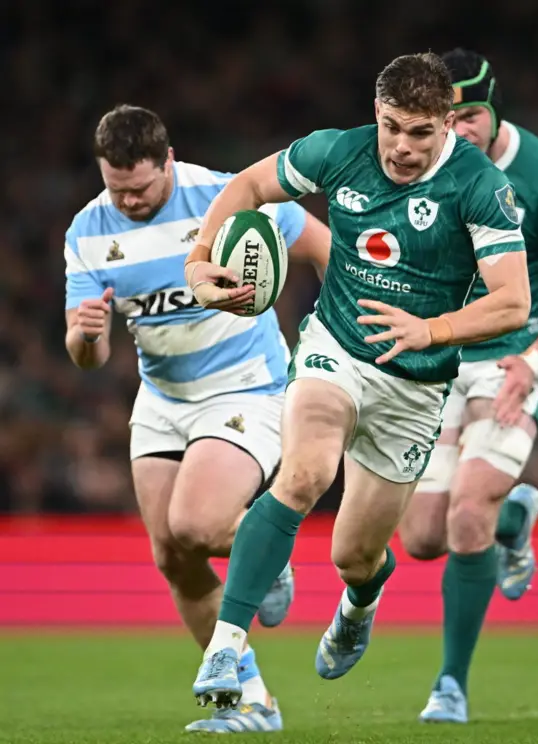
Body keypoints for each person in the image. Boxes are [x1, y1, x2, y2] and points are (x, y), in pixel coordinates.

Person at [182, 52, 531, 710]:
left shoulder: (478, 186)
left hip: (417, 385)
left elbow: (512, 301)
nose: (402, 146)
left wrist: (432, 330)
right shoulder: (337, 152)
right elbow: (248, 187)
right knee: (305, 471)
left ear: (448, 124)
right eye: (392, 126)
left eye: (421, 132)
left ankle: (360, 603)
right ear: (377, 113)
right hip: (336, 348)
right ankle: (227, 644)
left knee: (356, 555)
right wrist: (199, 259)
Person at [64, 104, 331, 734]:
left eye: (142, 187)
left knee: (199, 522)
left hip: (246, 386)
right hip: (161, 399)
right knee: (171, 555)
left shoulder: (227, 198)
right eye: (115, 187)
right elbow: (88, 359)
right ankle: (252, 703)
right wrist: (85, 336)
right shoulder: (87, 232)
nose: (128, 200)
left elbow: (326, 249)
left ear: (170, 162)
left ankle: (264, 550)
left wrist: (332, 339)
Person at [398, 49, 538, 723]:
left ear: (494, 110)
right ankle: (513, 519)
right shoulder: (411, 166)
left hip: (513, 356)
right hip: (438, 357)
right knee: (422, 539)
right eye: (444, 119)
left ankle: (450, 687)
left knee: (465, 516)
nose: (457, 132)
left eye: (469, 117)